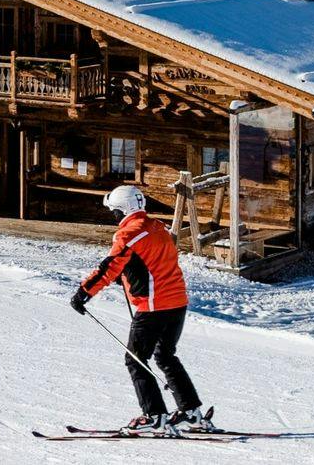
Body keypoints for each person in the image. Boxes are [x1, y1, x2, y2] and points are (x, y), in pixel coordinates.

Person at [70, 184, 213, 434]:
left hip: (153, 307)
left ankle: (155, 416)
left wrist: (84, 293)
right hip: (177, 303)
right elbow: (152, 263)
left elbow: (109, 266)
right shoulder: (158, 227)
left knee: (135, 359)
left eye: (114, 211)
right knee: (165, 356)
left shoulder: (128, 234)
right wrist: (130, 276)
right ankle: (191, 413)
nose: (113, 216)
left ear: (122, 210)